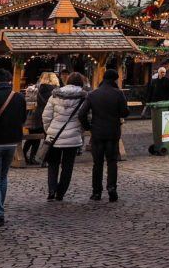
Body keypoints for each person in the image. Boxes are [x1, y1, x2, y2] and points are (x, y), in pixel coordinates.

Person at [79, 69, 129, 202]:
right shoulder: (118, 94)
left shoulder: (93, 94)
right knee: (112, 162)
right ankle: (112, 188)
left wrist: (88, 127)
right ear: (114, 79)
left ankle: (96, 192)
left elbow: (81, 113)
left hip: (97, 133)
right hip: (112, 133)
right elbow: (125, 113)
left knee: (97, 163)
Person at [42, 72, 87, 201]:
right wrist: (80, 131)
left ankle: (51, 190)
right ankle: (60, 193)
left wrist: (49, 131)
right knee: (67, 166)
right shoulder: (83, 97)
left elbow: (46, 116)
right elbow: (86, 116)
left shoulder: (55, 95)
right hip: (73, 137)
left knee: (53, 164)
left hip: (54, 136)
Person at [0, 68, 28, 227]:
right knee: (3, 177)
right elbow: (23, 118)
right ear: (9, 80)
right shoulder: (19, 97)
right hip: (12, 142)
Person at [23, 72, 58, 164]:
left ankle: (27, 156)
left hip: (36, 115)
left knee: (33, 138)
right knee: (48, 138)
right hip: (49, 115)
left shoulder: (36, 88)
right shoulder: (55, 90)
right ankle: (43, 159)